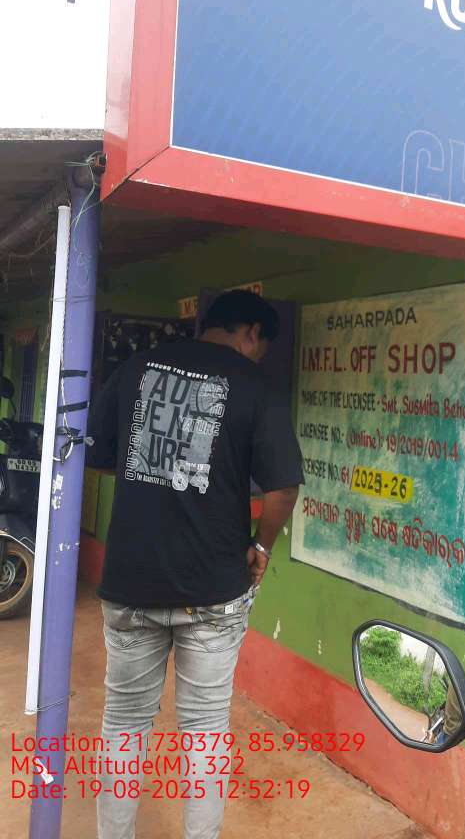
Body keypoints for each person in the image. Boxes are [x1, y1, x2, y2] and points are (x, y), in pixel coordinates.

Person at [86, 289, 304, 839]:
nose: (257, 355)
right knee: (204, 728)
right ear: (251, 333)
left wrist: (154, 478)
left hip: (131, 582)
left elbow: (100, 457)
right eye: (260, 346)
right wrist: (262, 545)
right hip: (214, 589)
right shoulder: (256, 386)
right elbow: (283, 488)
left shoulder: (135, 370)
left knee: (124, 723)